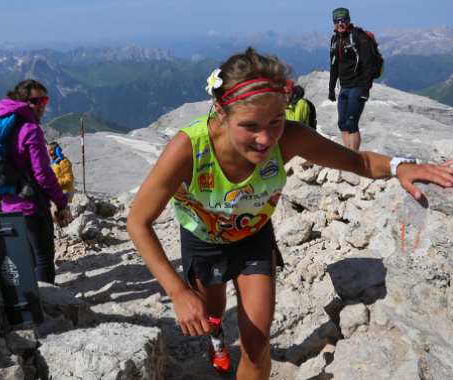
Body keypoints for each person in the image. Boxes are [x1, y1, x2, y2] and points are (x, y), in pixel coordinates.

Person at [126, 47, 453, 379]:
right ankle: (216, 338)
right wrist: (178, 293)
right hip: (202, 240)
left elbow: (358, 162)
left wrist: (402, 167)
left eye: (276, 121)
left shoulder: (290, 138)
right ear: (221, 112)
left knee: (256, 345)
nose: (265, 138)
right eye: (249, 125)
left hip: (253, 239)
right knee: (212, 312)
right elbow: (138, 221)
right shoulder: (188, 148)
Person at [0, 79, 68, 284]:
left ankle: (28, 304)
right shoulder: (31, 130)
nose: (42, 103)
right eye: (35, 100)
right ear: (21, 101)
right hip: (31, 207)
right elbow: (43, 174)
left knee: (23, 261)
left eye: (45, 98)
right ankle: (47, 307)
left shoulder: (3, 125)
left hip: (6, 205)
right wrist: (61, 202)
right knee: (43, 259)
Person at [328, 7, 376, 151]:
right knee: (342, 123)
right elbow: (334, 65)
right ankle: (348, 155)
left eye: (343, 20)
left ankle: (354, 159)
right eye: (336, 21)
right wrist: (331, 88)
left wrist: (366, 89)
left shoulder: (358, 36)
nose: (340, 23)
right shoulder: (335, 39)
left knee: (351, 123)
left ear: (349, 20)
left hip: (358, 86)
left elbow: (369, 63)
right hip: (344, 87)